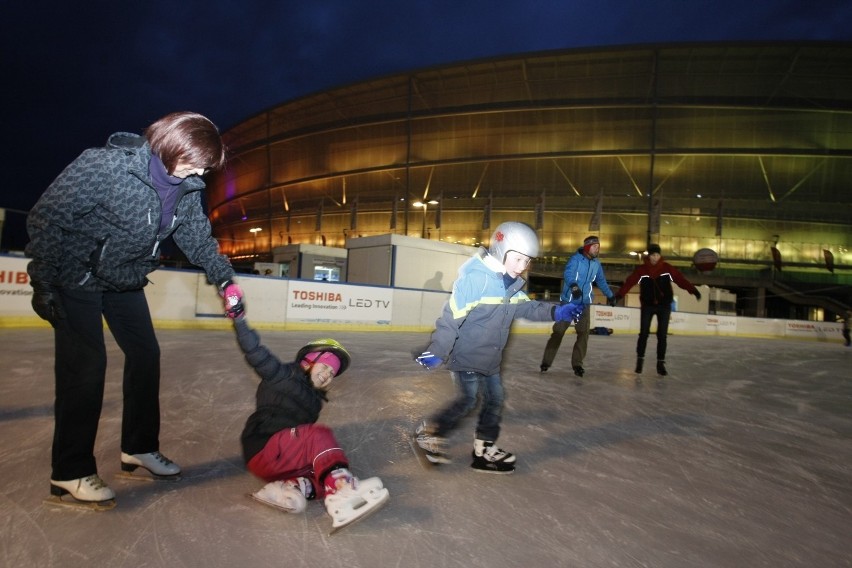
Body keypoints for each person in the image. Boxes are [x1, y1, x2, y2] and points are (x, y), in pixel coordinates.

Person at [26, 111, 243, 508]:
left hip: (124, 279)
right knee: (86, 367)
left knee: (146, 355)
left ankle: (138, 449)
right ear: (169, 144)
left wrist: (225, 279)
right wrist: (43, 279)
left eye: (205, 167)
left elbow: (196, 237)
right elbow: (48, 217)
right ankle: (69, 472)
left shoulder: (188, 186)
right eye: (193, 161)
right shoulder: (105, 166)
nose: (198, 172)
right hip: (77, 275)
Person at [413, 222, 584, 473]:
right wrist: (438, 351)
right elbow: (451, 318)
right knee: (468, 400)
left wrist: (558, 310)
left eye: (527, 261)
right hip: (468, 355)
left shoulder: (513, 285)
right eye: (516, 259)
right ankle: (430, 431)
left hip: (491, 359)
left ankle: (484, 449)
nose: (522, 267)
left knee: (495, 400)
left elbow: (527, 308)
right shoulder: (475, 280)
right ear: (500, 251)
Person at [231, 310, 389, 531]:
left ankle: (290, 489)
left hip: (279, 462)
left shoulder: (315, 402)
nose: (327, 375)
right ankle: (342, 489)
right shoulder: (282, 375)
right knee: (319, 435)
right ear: (309, 361)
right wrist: (238, 317)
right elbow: (254, 351)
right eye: (325, 366)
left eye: (332, 373)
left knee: (321, 472)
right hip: (263, 447)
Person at [614, 243, 701, 376]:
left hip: (664, 306)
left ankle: (660, 363)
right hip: (648, 305)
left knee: (662, 335)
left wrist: (693, 290)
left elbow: (680, 280)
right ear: (649, 256)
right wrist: (619, 295)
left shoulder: (667, 268)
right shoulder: (641, 270)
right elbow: (630, 282)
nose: (655, 257)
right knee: (643, 333)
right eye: (652, 255)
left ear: (660, 255)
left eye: (657, 255)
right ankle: (640, 360)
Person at [539, 236, 616, 378]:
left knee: (583, 334)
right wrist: (574, 286)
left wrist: (610, 295)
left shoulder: (596, 264)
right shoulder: (575, 259)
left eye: (598, 247)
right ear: (587, 247)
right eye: (595, 246)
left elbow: (601, 281)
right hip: (569, 302)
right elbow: (568, 274)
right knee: (559, 332)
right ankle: (546, 362)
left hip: (584, 303)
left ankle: (577, 364)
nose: (597, 249)